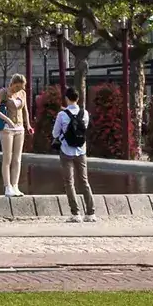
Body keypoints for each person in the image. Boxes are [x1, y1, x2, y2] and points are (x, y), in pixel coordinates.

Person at [53, 87, 97, 218]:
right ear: (78, 99)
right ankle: (91, 213)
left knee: (69, 182)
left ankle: (75, 213)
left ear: (66, 98)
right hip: (81, 150)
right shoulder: (85, 113)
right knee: (84, 181)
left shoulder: (62, 115)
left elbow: (55, 133)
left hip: (66, 151)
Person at [0, 75, 31, 198]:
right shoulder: (4, 92)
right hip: (7, 128)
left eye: (21, 87)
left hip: (20, 127)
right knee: (7, 158)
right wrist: (7, 120)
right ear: (14, 84)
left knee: (17, 159)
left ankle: (15, 185)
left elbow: (25, 110)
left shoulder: (22, 93)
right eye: (18, 87)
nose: (19, 90)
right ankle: (7, 186)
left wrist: (28, 125)